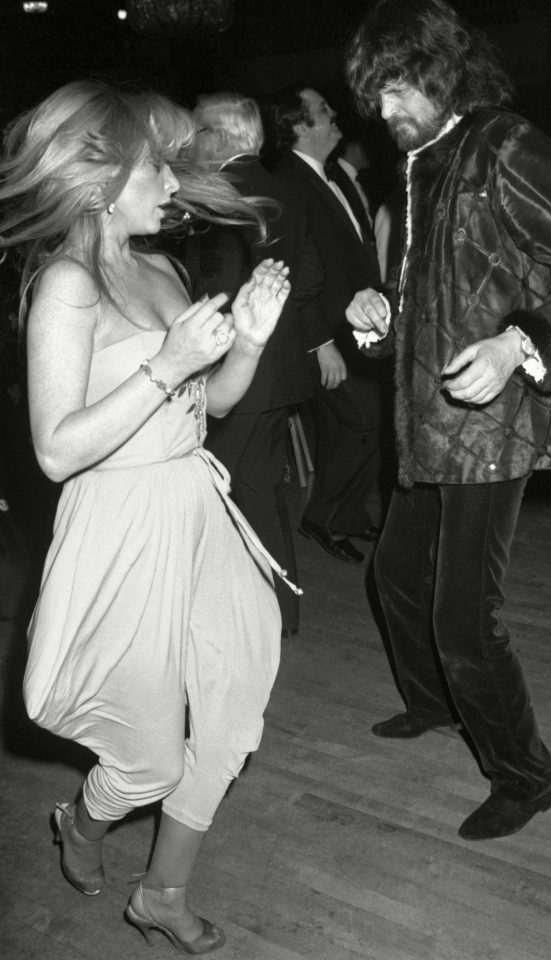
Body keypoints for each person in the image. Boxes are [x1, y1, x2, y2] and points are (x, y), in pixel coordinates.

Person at [0, 79, 292, 955]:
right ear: (98, 181)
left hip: (195, 504)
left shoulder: (163, 268)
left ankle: (161, 893)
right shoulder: (66, 286)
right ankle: (82, 824)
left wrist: (246, 338)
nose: (173, 183)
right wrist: (165, 366)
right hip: (121, 526)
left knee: (236, 706)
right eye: (156, 167)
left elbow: (213, 406)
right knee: (149, 761)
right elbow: (56, 450)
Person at [344, 0, 551, 841]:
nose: (382, 111)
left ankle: (525, 775)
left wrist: (522, 341)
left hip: (491, 426)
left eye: (394, 88)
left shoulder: (503, 145)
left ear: (440, 75)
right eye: (373, 96)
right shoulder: (420, 162)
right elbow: (439, 293)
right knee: (394, 575)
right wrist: (379, 318)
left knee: (464, 618)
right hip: (426, 419)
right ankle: (436, 705)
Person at [185, 91, 322, 638]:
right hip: (281, 368)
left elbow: (209, 288)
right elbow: (310, 277)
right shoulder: (288, 184)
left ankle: (256, 619)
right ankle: (279, 614)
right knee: (260, 491)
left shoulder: (217, 193)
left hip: (240, 373)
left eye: (196, 132)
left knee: (228, 492)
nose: (189, 143)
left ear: (217, 137)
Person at [268, 86, 385, 564]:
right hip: (325, 335)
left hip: (359, 328)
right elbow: (295, 271)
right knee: (364, 421)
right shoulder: (290, 182)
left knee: (365, 424)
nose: (334, 114)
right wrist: (319, 343)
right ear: (299, 125)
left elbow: (357, 255)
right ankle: (322, 515)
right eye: (322, 111)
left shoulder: (332, 173)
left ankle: (348, 514)